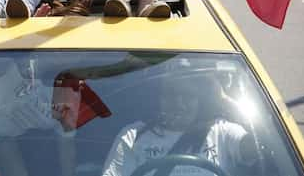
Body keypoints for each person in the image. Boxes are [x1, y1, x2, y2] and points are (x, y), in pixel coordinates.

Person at [102, 73, 258, 176]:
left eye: (188, 96)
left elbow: (263, 144)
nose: (179, 104)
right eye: (170, 95)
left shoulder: (221, 131)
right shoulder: (133, 135)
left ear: (199, 101)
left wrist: (223, 99)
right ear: (158, 99)